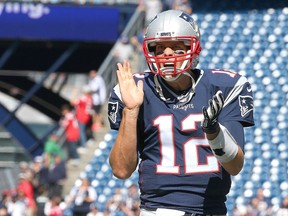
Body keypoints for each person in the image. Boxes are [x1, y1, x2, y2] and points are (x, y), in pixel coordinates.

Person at [107, 10, 254, 216]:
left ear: (193, 47)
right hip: (158, 210)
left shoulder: (224, 86)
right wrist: (131, 111)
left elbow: (235, 166)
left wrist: (213, 132)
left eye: (176, 47)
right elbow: (121, 170)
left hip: (212, 210)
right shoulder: (135, 88)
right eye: (159, 48)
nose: (167, 53)